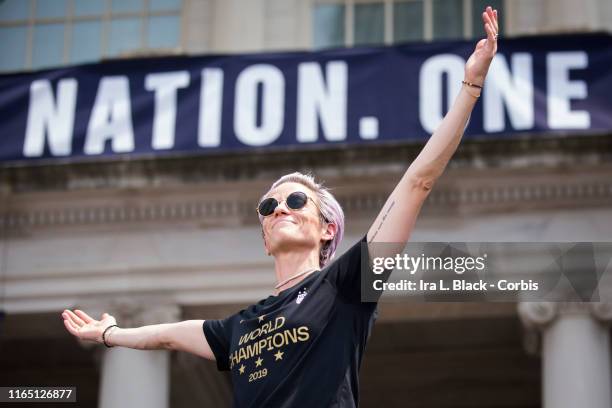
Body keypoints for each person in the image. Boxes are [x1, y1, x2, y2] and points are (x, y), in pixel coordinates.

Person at [62, 7, 499, 407]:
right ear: (265, 241)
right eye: (267, 205)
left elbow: (417, 183)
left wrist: (470, 85)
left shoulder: (345, 285)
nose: (278, 209)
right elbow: (163, 336)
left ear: (328, 228)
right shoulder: (237, 328)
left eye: (294, 200)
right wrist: (108, 333)